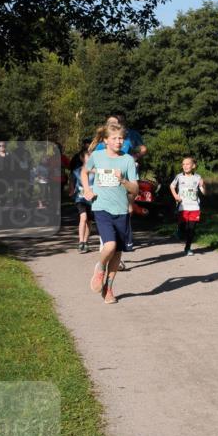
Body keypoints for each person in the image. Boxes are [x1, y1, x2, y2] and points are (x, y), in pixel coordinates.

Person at [82, 123, 138, 304]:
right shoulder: (97, 156)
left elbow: (135, 189)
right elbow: (84, 171)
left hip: (121, 209)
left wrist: (122, 179)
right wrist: (87, 189)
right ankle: (100, 267)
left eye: (121, 138)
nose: (119, 141)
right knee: (110, 246)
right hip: (101, 207)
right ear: (105, 140)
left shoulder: (128, 160)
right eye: (114, 138)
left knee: (118, 253)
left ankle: (109, 288)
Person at [170, 156, 206, 256]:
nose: (185, 166)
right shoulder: (179, 176)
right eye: (183, 164)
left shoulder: (198, 177)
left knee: (192, 229)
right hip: (183, 207)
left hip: (194, 207)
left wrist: (202, 186)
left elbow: (204, 192)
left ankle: (188, 248)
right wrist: (176, 196)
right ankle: (179, 230)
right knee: (183, 227)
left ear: (193, 166)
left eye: (187, 164)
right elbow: (172, 186)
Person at [70, 149, 94, 252]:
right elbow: (72, 181)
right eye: (88, 157)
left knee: (89, 221)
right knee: (83, 217)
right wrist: (71, 190)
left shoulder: (96, 171)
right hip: (80, 198)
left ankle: (86, 241)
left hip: (92, 199)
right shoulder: (77, 171)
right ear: (82, 158)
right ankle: (81, 242)